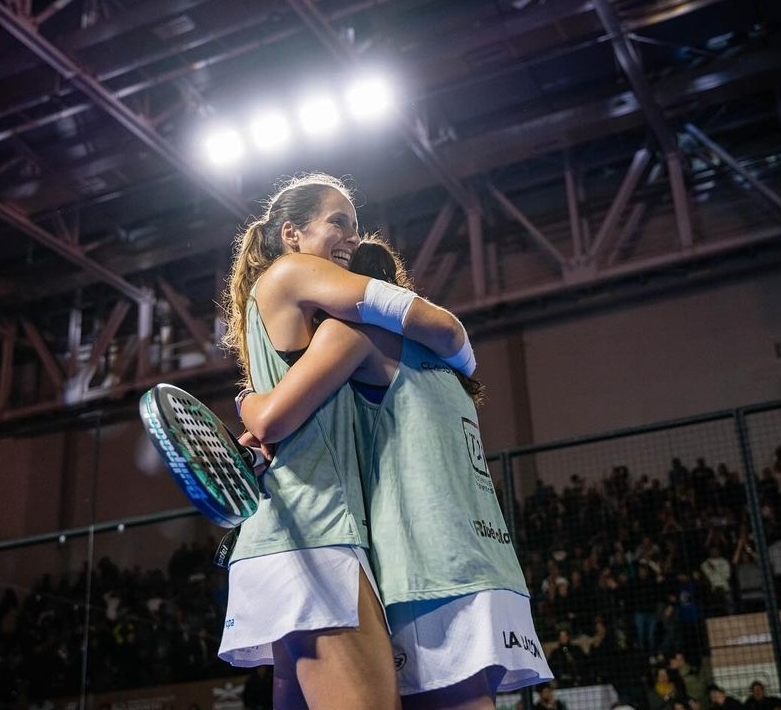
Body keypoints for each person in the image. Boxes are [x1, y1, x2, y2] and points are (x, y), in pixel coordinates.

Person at [237, 237, 551, 708]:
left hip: (425, 564)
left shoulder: (351, 333)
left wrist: (246, 400)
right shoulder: (446, 362)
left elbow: (271, 417)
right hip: (485, 558)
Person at [216, 174, 472, 710]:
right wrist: (462, 351)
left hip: (296, 534)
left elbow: (273, 414)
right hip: (313, 536)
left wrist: (251, 405)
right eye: (338, 223)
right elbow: (422, 318)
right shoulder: (295, 275)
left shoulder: (309, 329)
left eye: (355, 228)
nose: (352, 238)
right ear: (291, 233)